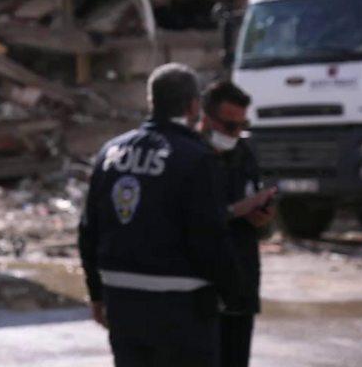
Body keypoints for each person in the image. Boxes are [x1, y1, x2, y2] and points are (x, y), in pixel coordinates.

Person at [78, 63, 265, 367]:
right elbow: (209, 238)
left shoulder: (111, 153)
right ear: (194, 106)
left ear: (151, 101)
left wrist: (96, 294)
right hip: (183, 309)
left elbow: (89, 231)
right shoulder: (196, 158)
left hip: (123, 304)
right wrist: (233, 294)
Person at [199, 81, 277, 367]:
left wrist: (264, 220)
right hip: (202, 291)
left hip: (241, 284)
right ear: (206, 120)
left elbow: (261, 222)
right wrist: (232, 211)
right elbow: (185, 221)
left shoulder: (244, 154)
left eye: (242, 125)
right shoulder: (188, 158)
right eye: (230, 126)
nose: (236, 134)